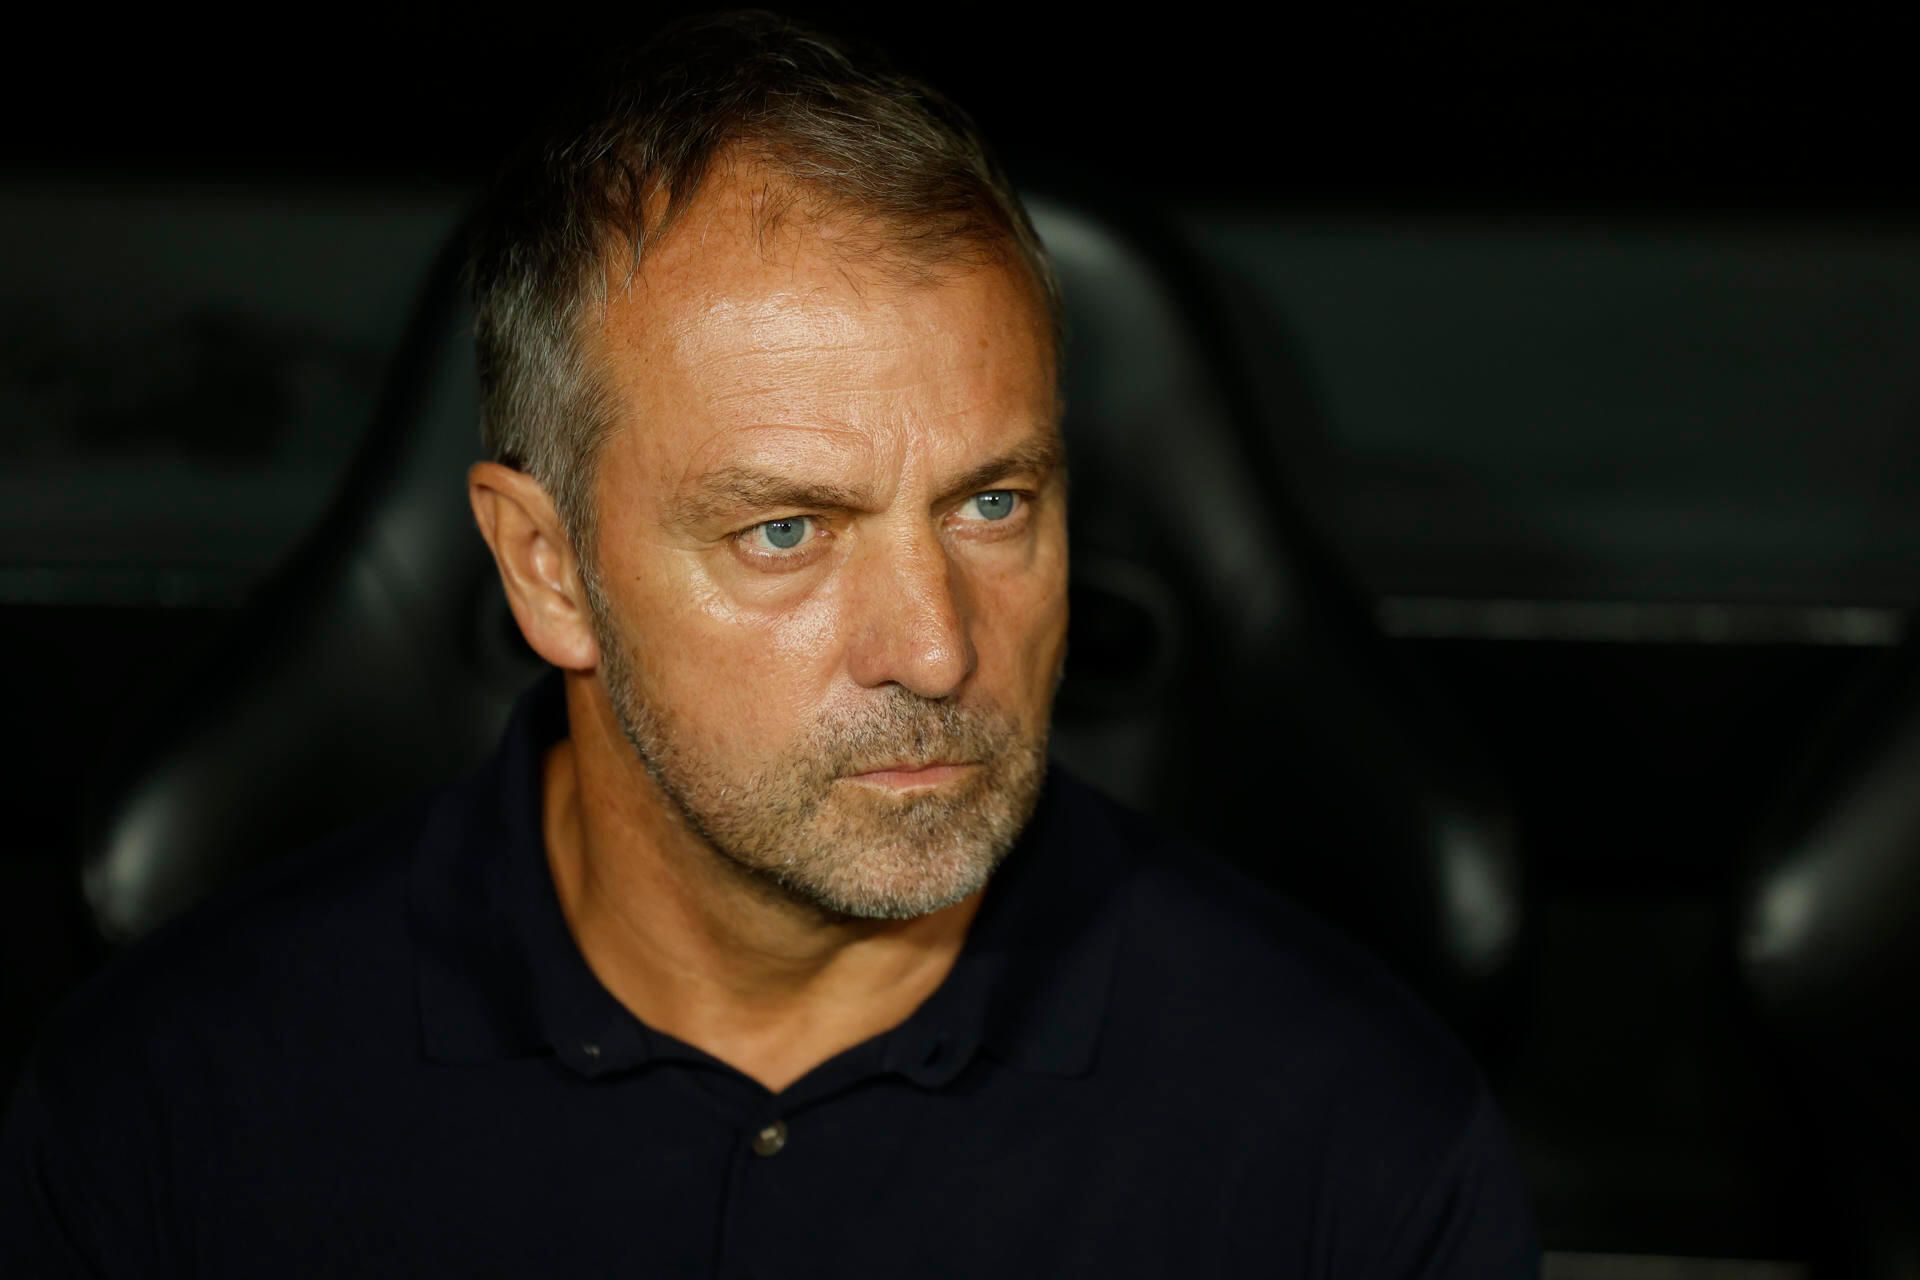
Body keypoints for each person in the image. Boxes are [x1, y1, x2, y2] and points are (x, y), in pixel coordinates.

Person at [1, 11, 1538, 1275]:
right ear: (546, 570)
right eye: (786, 532)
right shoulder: (172, 1125)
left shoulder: (1351, 1153)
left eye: (993, 503)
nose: (935, 651)